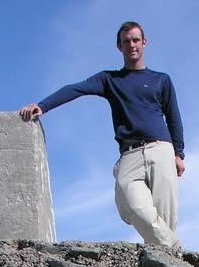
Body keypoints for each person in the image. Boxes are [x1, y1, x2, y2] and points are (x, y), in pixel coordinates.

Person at [20, 21, 184, 251]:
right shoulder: (110, 80)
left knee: (165, 220)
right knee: (133, 206)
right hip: (130, 153)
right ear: (119, 47)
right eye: (126, 41)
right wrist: (43, 106)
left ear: (144, 42)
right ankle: (176, 252)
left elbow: (174, 117)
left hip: (161, 150)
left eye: (136, 40)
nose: (131, 45)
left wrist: (179, 153)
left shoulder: (161, 80)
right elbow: (76, 88)